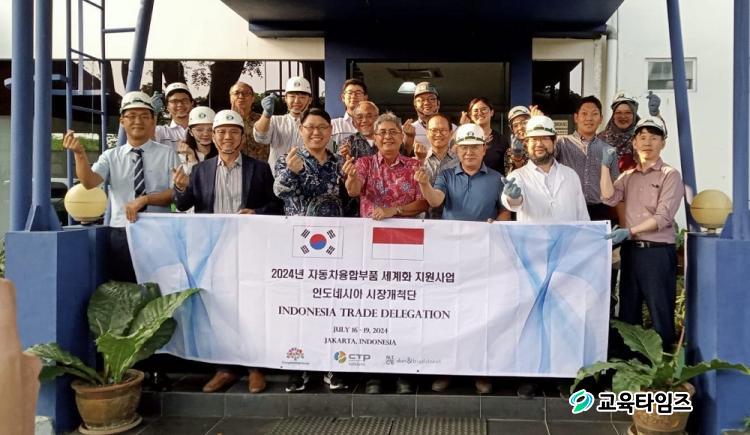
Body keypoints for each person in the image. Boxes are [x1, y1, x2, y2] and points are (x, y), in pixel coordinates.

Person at [172, 109, 281, 394]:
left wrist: (256, 213)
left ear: (242, 137)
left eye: (233, 132)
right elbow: (183, 205)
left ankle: (255, 367)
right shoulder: (200, 171)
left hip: (250, 248)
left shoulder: (260, 169)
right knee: (218, 308)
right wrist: (179, 188)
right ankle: (225, 368)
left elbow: (276, 206)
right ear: (213, 136)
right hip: (213, 250)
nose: (227, 137)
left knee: (252, 306)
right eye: (221, 132)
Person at [63, 91, 179, 282]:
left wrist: (145, 199)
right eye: (131, 116)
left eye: (144, 116)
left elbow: (176, 192)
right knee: (125, 286)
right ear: (122, 121)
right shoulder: (111, 156)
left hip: (160, 229)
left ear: (153, 121)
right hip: (122, 231)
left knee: (162, 284)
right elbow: (89, 182)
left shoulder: (167, 154)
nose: (137, 121)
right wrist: (80, 154)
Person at [273, 108, 350, 392]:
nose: (316, 132)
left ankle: (332, 365)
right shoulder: (288, 159)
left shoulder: (340, 163)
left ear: (330, 131)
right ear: (301, 130)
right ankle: (299, 367)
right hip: (300, 246)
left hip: (335, 246)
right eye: (310, 127)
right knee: (301, 306)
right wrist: (291, 173)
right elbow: (279, 191)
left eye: (322, 127)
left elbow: (350, 199)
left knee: (332, 305)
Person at [600, 117, 683, 350]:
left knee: (660, 312)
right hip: (631, 252)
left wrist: (630, 231)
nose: (648, 143)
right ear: (634, 143)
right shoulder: (628, 176)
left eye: (654, 138)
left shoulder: (670, 175)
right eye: (642, 137)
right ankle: (631, 365)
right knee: (628, 314)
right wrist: (605, 166)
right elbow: (608, 197)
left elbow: (663, 217)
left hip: (657, 253)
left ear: (662, 143)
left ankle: (663, 366)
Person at [502, 115, 589, 223]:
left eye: (545, 138)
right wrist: (513, 197)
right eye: (534, 139)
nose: (539, 144)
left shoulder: (571, 175)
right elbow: (514, 203)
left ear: (554, 141)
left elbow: (583, 217)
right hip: (533, 235)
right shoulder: (517, 176)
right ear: (526, 144)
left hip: (568, 235)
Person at [417, 123, 510, 223]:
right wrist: (425, 184)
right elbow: (435, 201)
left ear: (484, 149)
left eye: (474, 147)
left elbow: (505, 211)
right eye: (464, 147)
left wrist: (496, 225)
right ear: (457, 150)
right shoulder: (446, 176)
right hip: (451, 233)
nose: (469, 152)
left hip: (485, 233)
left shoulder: (497, 179)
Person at [344, 112, 429, 221]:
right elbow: (353, 192)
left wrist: (394, 210)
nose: (388, 136)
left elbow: (423, 203)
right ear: (375, 139)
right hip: (372, 227)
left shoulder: (414, 165)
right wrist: (352, 177)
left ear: (401, 137)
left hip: (406, 229)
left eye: (393, 132)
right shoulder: (364, 163)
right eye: (382, 132)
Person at [555, 96, 620, 222]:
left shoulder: (609, 150)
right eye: (584, 113)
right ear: (576, 117)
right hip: (568, 209)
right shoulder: (561, 143)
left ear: (601, 119)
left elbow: (615, 186)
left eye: (594, 114)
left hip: (599, 211)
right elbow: (543, 158)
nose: (589, 118)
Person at [254, 76, 314, 172]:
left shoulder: (316, 124)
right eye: (292, 96)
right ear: (285, 98)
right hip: (277, 177)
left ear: (310, 100)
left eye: (302, 97)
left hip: (306, 177)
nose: (296, 101)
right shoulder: (275, 121)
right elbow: (261, 138)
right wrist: (266, 114)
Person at [416, 113, 459, 219]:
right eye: (434, 130)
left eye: (443, 130)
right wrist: (420, 162)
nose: (438, 134)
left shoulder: (460, 162)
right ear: (427, 133)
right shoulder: (418, 161)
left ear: (451, 133)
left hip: (453, 220)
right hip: (423, 222)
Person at [407, 82, 457, 152]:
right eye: (421, 100)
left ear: (438, 103)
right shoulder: (408, 130)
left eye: (431, 99)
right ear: (415, 104)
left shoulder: (453, 129)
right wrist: (408, 137)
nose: (426, 103)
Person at [464, 97, 508, 174]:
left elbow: (506, 168)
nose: (479, 113)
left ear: (492, 112)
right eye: (475, 110)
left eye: (483, 109)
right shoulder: (464, 137)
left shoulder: (501, 140)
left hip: (494, 180)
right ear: (470, 115)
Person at [598, 92, 640, 172]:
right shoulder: (601, 139)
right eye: (618, 112)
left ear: (634, 115)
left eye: (628, 112)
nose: (623, 116)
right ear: (613, 115)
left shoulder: (642, 139)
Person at [228, 81, 267, 161]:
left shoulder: (263, 120)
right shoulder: (222, 121)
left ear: (253, 98)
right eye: (236, 93)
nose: (241, 96)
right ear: (230, 98)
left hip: (260, 165)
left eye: (246, 93)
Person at [175, 106, 218, 174]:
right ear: (190, 132)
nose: (205, 134)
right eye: (199, 130)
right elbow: (193, 179)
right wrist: (191, 157)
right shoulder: (182, 157)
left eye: (210, 130)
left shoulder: (223, 154)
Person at [155, 82, 194, 149]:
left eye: (184, 100)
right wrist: (154, 113)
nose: (180, 104)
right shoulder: (161, 132)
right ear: (167, 106)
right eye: (174, 101)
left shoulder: (203, 130)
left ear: (192, 103)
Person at [331, 79, 368, 147]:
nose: (353, 96)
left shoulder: (374, 125)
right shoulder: (333, 125)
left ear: (365, 98)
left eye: (358, 93)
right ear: (343, 97)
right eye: (350, 92)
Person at [504, 106, 532, 176]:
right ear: (512, 129)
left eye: (524, 123)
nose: (520, 127)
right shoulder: (510, 152)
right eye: (515, 125)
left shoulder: (540, 145)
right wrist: (517, 157)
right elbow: (511, 177)